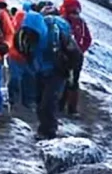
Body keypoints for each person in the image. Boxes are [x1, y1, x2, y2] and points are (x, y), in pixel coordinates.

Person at [14, 9, 77, 140]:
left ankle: (49, 132)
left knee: (48, 102)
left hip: (57, 71)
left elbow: (76, 55)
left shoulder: (55, 37)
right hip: (40, 70)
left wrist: (71, 76)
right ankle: (44, 128)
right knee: (40, 100)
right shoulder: (24, 37)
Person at [60, 0, 93, 118]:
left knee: (62, 78)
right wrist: (80, 50)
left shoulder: (62, 19)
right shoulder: (81, 22)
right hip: (76, 57)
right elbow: (88, 39)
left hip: (64, 55)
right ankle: (71, 109)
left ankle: (62, 105)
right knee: (73, 81)